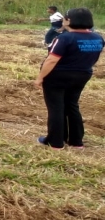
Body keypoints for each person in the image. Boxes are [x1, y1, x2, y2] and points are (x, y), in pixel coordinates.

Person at [34, 8, 103, 149]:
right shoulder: (98, 38)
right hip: (82, 75)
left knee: (56, 108)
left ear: (69, 20)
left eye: (65, 18)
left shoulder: (64, 38)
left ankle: (55, 142)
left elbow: (51, 60)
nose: (63, 20)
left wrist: (40, 77)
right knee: (72, 105)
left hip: (58, 77)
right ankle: (76, 141)